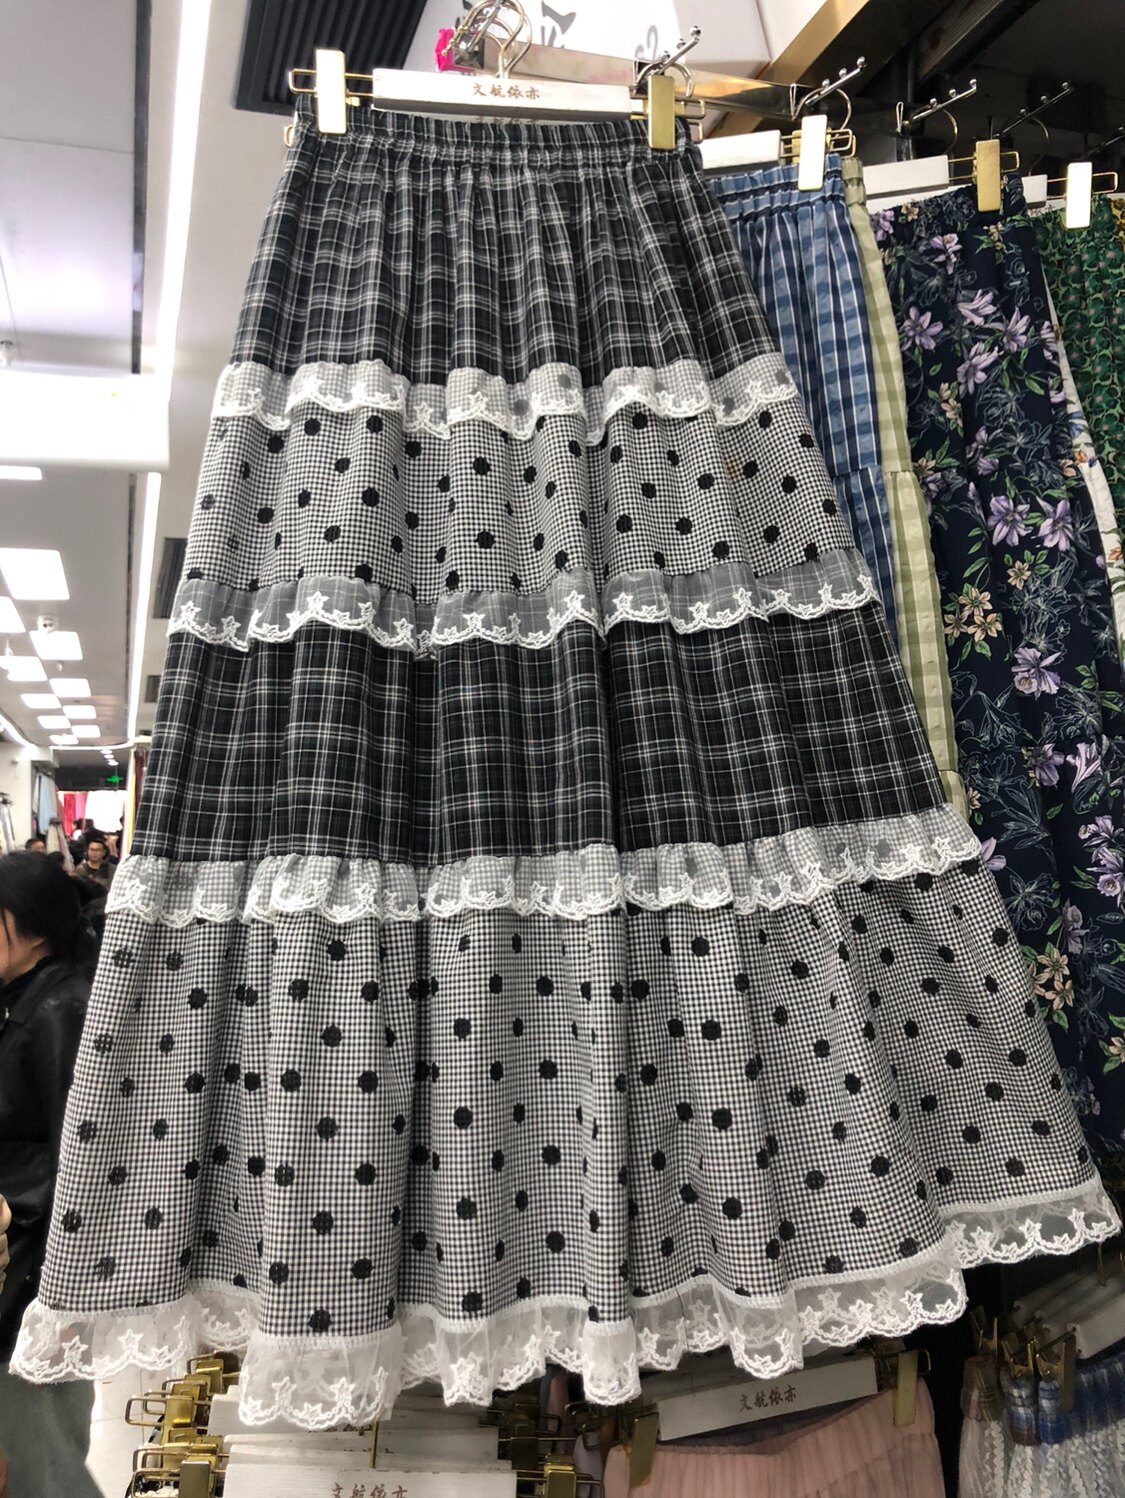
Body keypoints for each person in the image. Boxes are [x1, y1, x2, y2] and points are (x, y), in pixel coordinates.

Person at [0, 853, 99, 1498]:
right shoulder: (23, 999)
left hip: (39, 1266)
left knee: (43, 1449)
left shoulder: (61, 1008)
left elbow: (78, 1156)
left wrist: (62, 1291)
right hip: (19, 1251)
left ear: (32, 930)